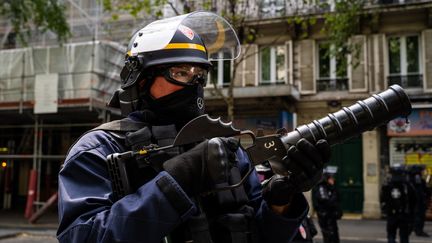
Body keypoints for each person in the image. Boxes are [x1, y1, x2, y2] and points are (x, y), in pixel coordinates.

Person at [56, 11, 331, 243]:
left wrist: (280, 203)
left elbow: (258, 232)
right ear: (141, 79)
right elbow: (81, 235)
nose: (193, 84)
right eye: (180, 73)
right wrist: (179, 179)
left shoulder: (224, 146)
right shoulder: (98, 147)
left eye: (199, 75)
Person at [380, 164, 417, 243]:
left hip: (391, 214)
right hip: (404, 214)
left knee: (391, 235)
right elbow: (413, 200)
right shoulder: (407, 185)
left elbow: (383, 199)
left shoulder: (387, 185)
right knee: (404, 237)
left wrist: (386, 209)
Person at [312, 166, 342, 243]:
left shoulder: (330, 187)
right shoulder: (321, 187)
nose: (333, 179)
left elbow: (337, 200)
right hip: (325, 216)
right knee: (329, 236)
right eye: (331, 178)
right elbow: (327, 201)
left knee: (335, 234)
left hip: (331, 216)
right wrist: (334, 192)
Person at [407, 164, 430, 237]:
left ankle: (410, 230)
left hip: (417, 201)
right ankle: (417, 230)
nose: (422, 172)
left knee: (414, 216)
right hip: (418, 201)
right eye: (421, 171)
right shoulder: (417, 179)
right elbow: (422, 191)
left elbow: (425, 190)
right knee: (418, 216)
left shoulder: (412, 179)